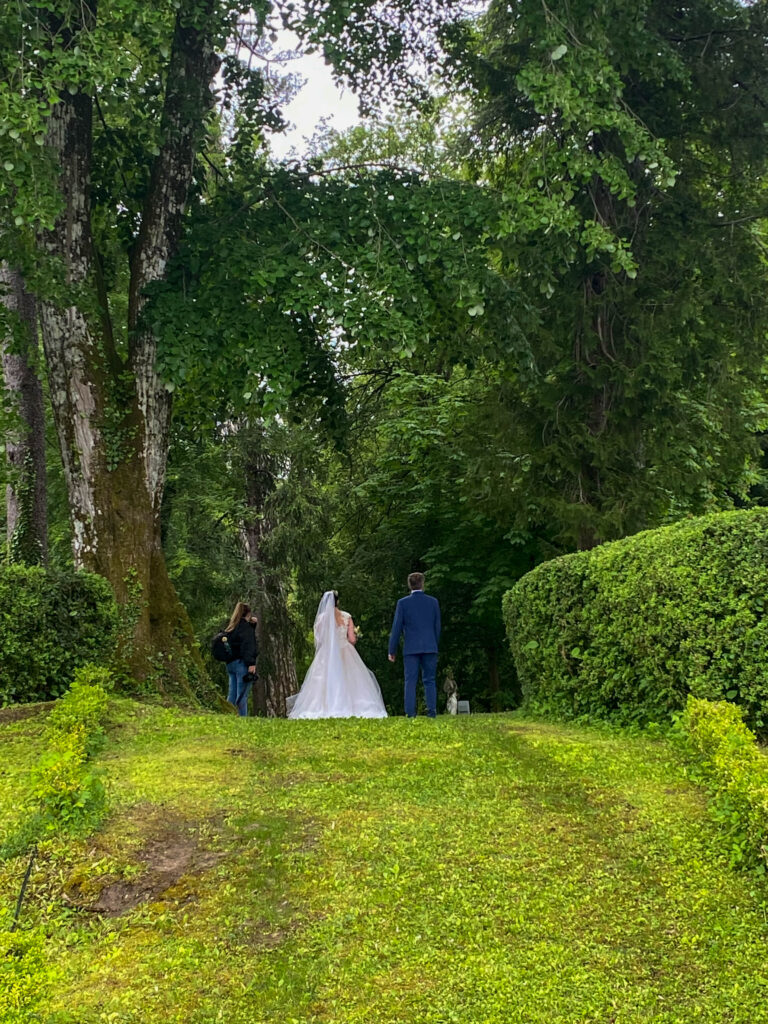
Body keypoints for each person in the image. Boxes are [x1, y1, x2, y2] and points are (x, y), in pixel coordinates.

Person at [288, 591, 387, 719]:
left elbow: (320, 639)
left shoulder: (322, 618)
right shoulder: (346, 616)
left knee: (323, 680)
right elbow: (352, 639)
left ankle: (325, 706)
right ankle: (353, 706)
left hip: (327, 653)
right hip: (345, 651)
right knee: (352, 679)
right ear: (338, 601)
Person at [388, 572, 441, 718]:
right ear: (423, 584)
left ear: (409, 585)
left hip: (411, 647)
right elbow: (437, 626)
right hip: (430, 645)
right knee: (429, 680)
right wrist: (434, 643)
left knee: (410, 681)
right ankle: (431, 712)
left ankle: (410, 713)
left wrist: (392, 649)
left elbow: (396, 628)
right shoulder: (433, 602)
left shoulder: (403, 603)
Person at [224, 601, 259, 717]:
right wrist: (251, 663)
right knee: (242, 695)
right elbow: (248, 645)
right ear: (248, 614)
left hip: (231, 664)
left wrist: (252, 626)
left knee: (232, 694)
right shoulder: (246, 628)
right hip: (241, 664)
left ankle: (229, 716)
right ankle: (243, 719)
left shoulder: (232, 627)